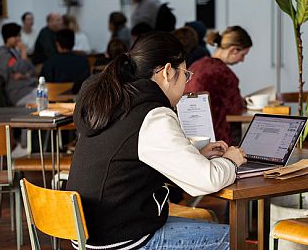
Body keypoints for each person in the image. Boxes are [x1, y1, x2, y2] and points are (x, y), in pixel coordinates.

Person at [66, 31, 247, 249]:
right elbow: (207, 180)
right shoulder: (152, 113)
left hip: (87, 233)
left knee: (211, 224)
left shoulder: (114, 100)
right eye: (186, 75)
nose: (186, 84)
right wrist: (231, 159)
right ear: (168, 72)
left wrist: (195, 153)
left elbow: (132, 157)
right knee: (233, 239)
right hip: (122, 239)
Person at [184, 26, 253, 145]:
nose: (242, 60)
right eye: (243, 55)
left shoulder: (196, 66)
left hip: (188, 137)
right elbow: (235, 110)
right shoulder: (225, 74)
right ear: (233, 50)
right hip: (216, 140)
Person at [0, 23, 37, 106]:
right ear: (8, 38)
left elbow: (32, 70)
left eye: (19, 36)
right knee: (43, 101)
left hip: (29, 88)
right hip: (18, 93)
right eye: (15, 36)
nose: (18, 39)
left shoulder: (15, 51)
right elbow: (20, 68)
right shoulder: (2, 54)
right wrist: (23, 53)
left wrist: (24, 75)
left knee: (46, 97)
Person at [40, 29, 90, 94]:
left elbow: (43, 82)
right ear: (73, 43)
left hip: (54, 98)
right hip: (77, 98)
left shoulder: (50, 61)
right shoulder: (84, 61)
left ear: (57, 44)